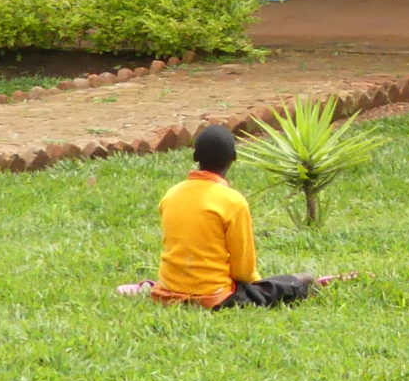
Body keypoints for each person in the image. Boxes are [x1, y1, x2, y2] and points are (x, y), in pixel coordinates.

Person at [115, 124, 345, 309]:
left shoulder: (171, 194)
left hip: (167, 291)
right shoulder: (233, 201)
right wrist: (257, 287)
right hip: (213, 297)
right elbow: (243, 271)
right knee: (301, 281)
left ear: (195, 156)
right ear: (234, 157)